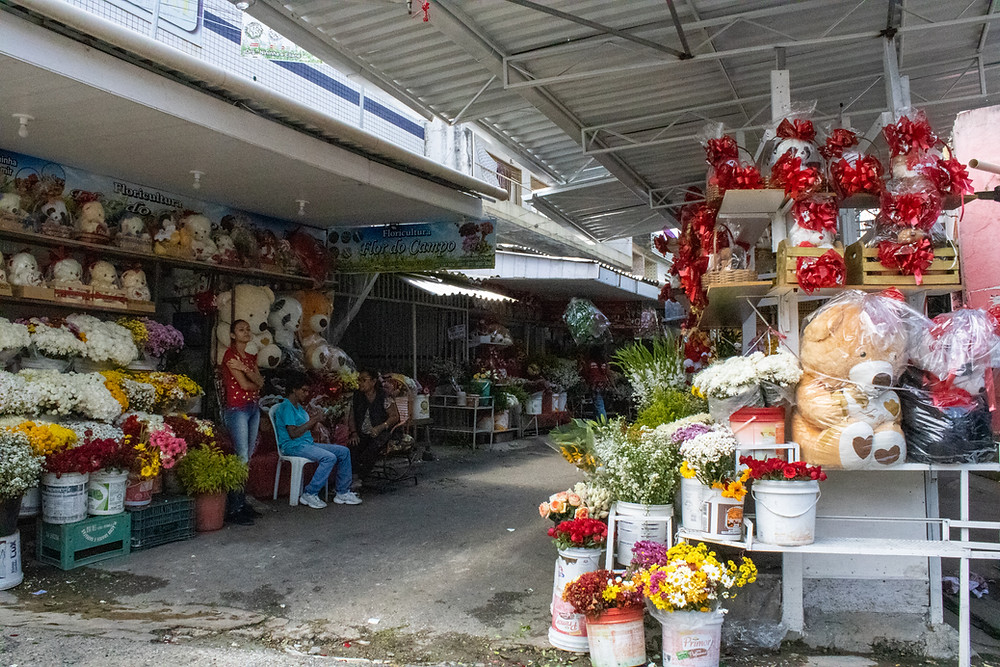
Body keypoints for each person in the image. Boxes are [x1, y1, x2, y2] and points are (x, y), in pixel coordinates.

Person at [273, 371, 362, 508]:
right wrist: (313, 420)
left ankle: (342, 492)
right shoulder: (286, 407)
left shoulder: (299, 408)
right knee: (329, 458)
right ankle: (310, 493)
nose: (306, 394)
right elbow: (293, 433)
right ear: (294, 389)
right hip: (292, 445)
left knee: (343, 451)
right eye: (304, 390)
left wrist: (319, 421)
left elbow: (305, 429)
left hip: (306, 443)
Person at [220, 319, 265, 525]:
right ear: (232, 335)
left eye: (248, 329)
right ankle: (235, 508)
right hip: (237, 409)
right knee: (242, 457)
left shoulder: (249, 357)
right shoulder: (230, 357)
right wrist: (252, 377)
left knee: (247, 456)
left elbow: (261, 382)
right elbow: (247, 385)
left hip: (253, 408)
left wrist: (247, 370)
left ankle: (241, 503)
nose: (246, 332)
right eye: (241, 329)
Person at [348, 369, 400, 482]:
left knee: (372, 449)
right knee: (353, 447)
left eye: (364, 380)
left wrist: (381, 426)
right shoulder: (357, 395)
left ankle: (361, 477)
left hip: (382, 433)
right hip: (361, 433)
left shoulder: (383, 395)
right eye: (359, 380)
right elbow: (351, 416)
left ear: (373, 381)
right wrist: (354, 433)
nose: (360, 383)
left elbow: (395, 416)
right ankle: (354, 477)